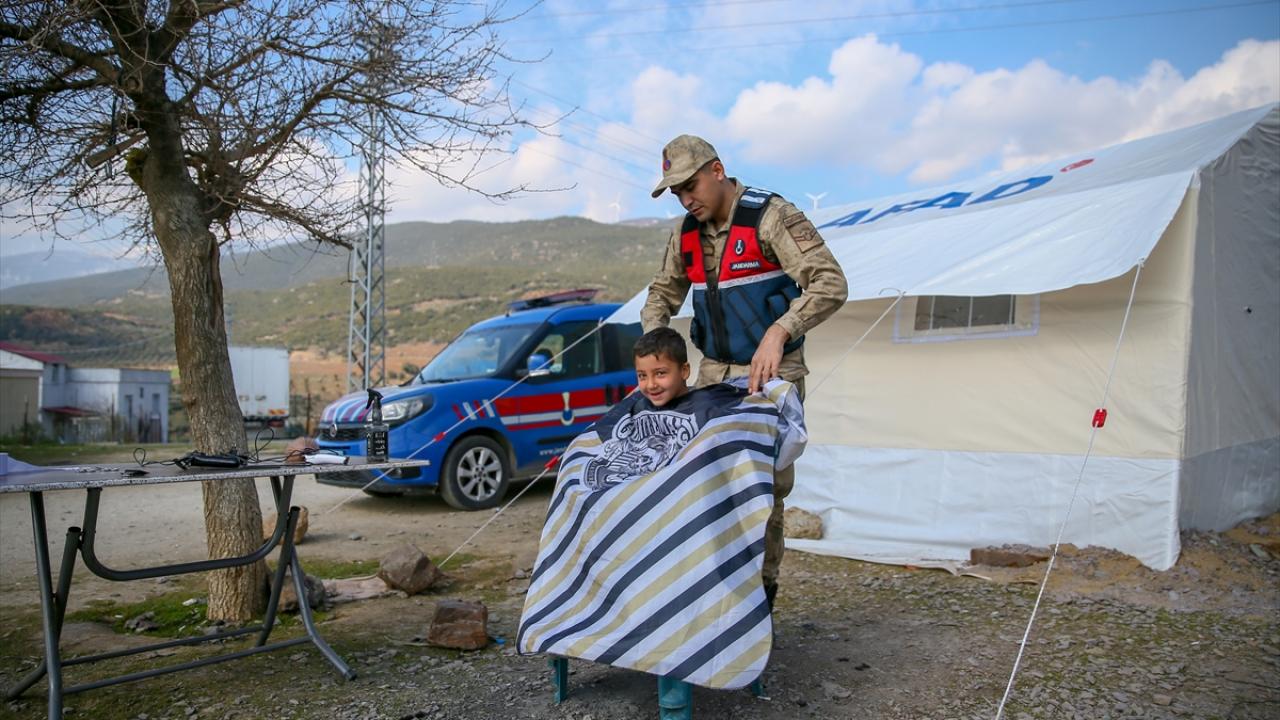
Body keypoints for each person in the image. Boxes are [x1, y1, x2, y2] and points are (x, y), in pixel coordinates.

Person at [643, 134, 848, 609]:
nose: (685, 198)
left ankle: (761, 600)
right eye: (675, 192)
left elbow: (830, 282)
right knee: (703, 483)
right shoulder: (685, 233)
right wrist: (656, 346)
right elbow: (662, 292)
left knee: (762, 490)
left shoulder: (771, 216)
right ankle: (708, 597)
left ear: (717, 171)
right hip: (713, 373)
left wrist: (781, 330)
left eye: (690, 185)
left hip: (771, 377)